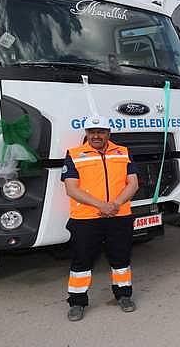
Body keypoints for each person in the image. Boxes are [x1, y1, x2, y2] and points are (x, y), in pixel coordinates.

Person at [61, 115, 140, 322]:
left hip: (119, 215)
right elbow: (71, 188)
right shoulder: (74, 154)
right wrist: (101, 206)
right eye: (92, 132)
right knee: (82, 261)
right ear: (86, 133)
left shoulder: (123, 152)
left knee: (121, 259)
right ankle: (77, 302)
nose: (96, 136)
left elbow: (132, 183)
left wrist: (115, 204)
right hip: (86, 218)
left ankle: (123, 296)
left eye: (101, 131)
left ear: (108, 133)